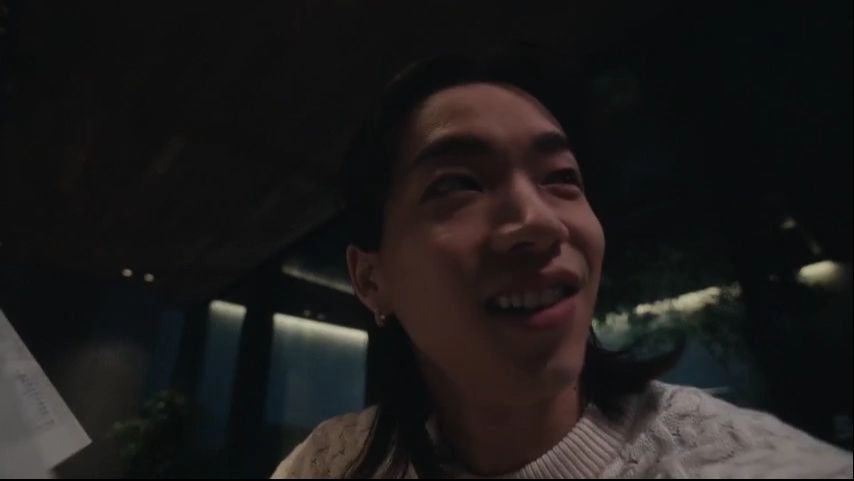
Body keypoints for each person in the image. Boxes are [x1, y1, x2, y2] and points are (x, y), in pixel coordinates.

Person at [272, 51, 853, 478]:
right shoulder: (330, 465)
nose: (541, 222)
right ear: (371, 279)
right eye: (458, 184)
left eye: (561, 178)